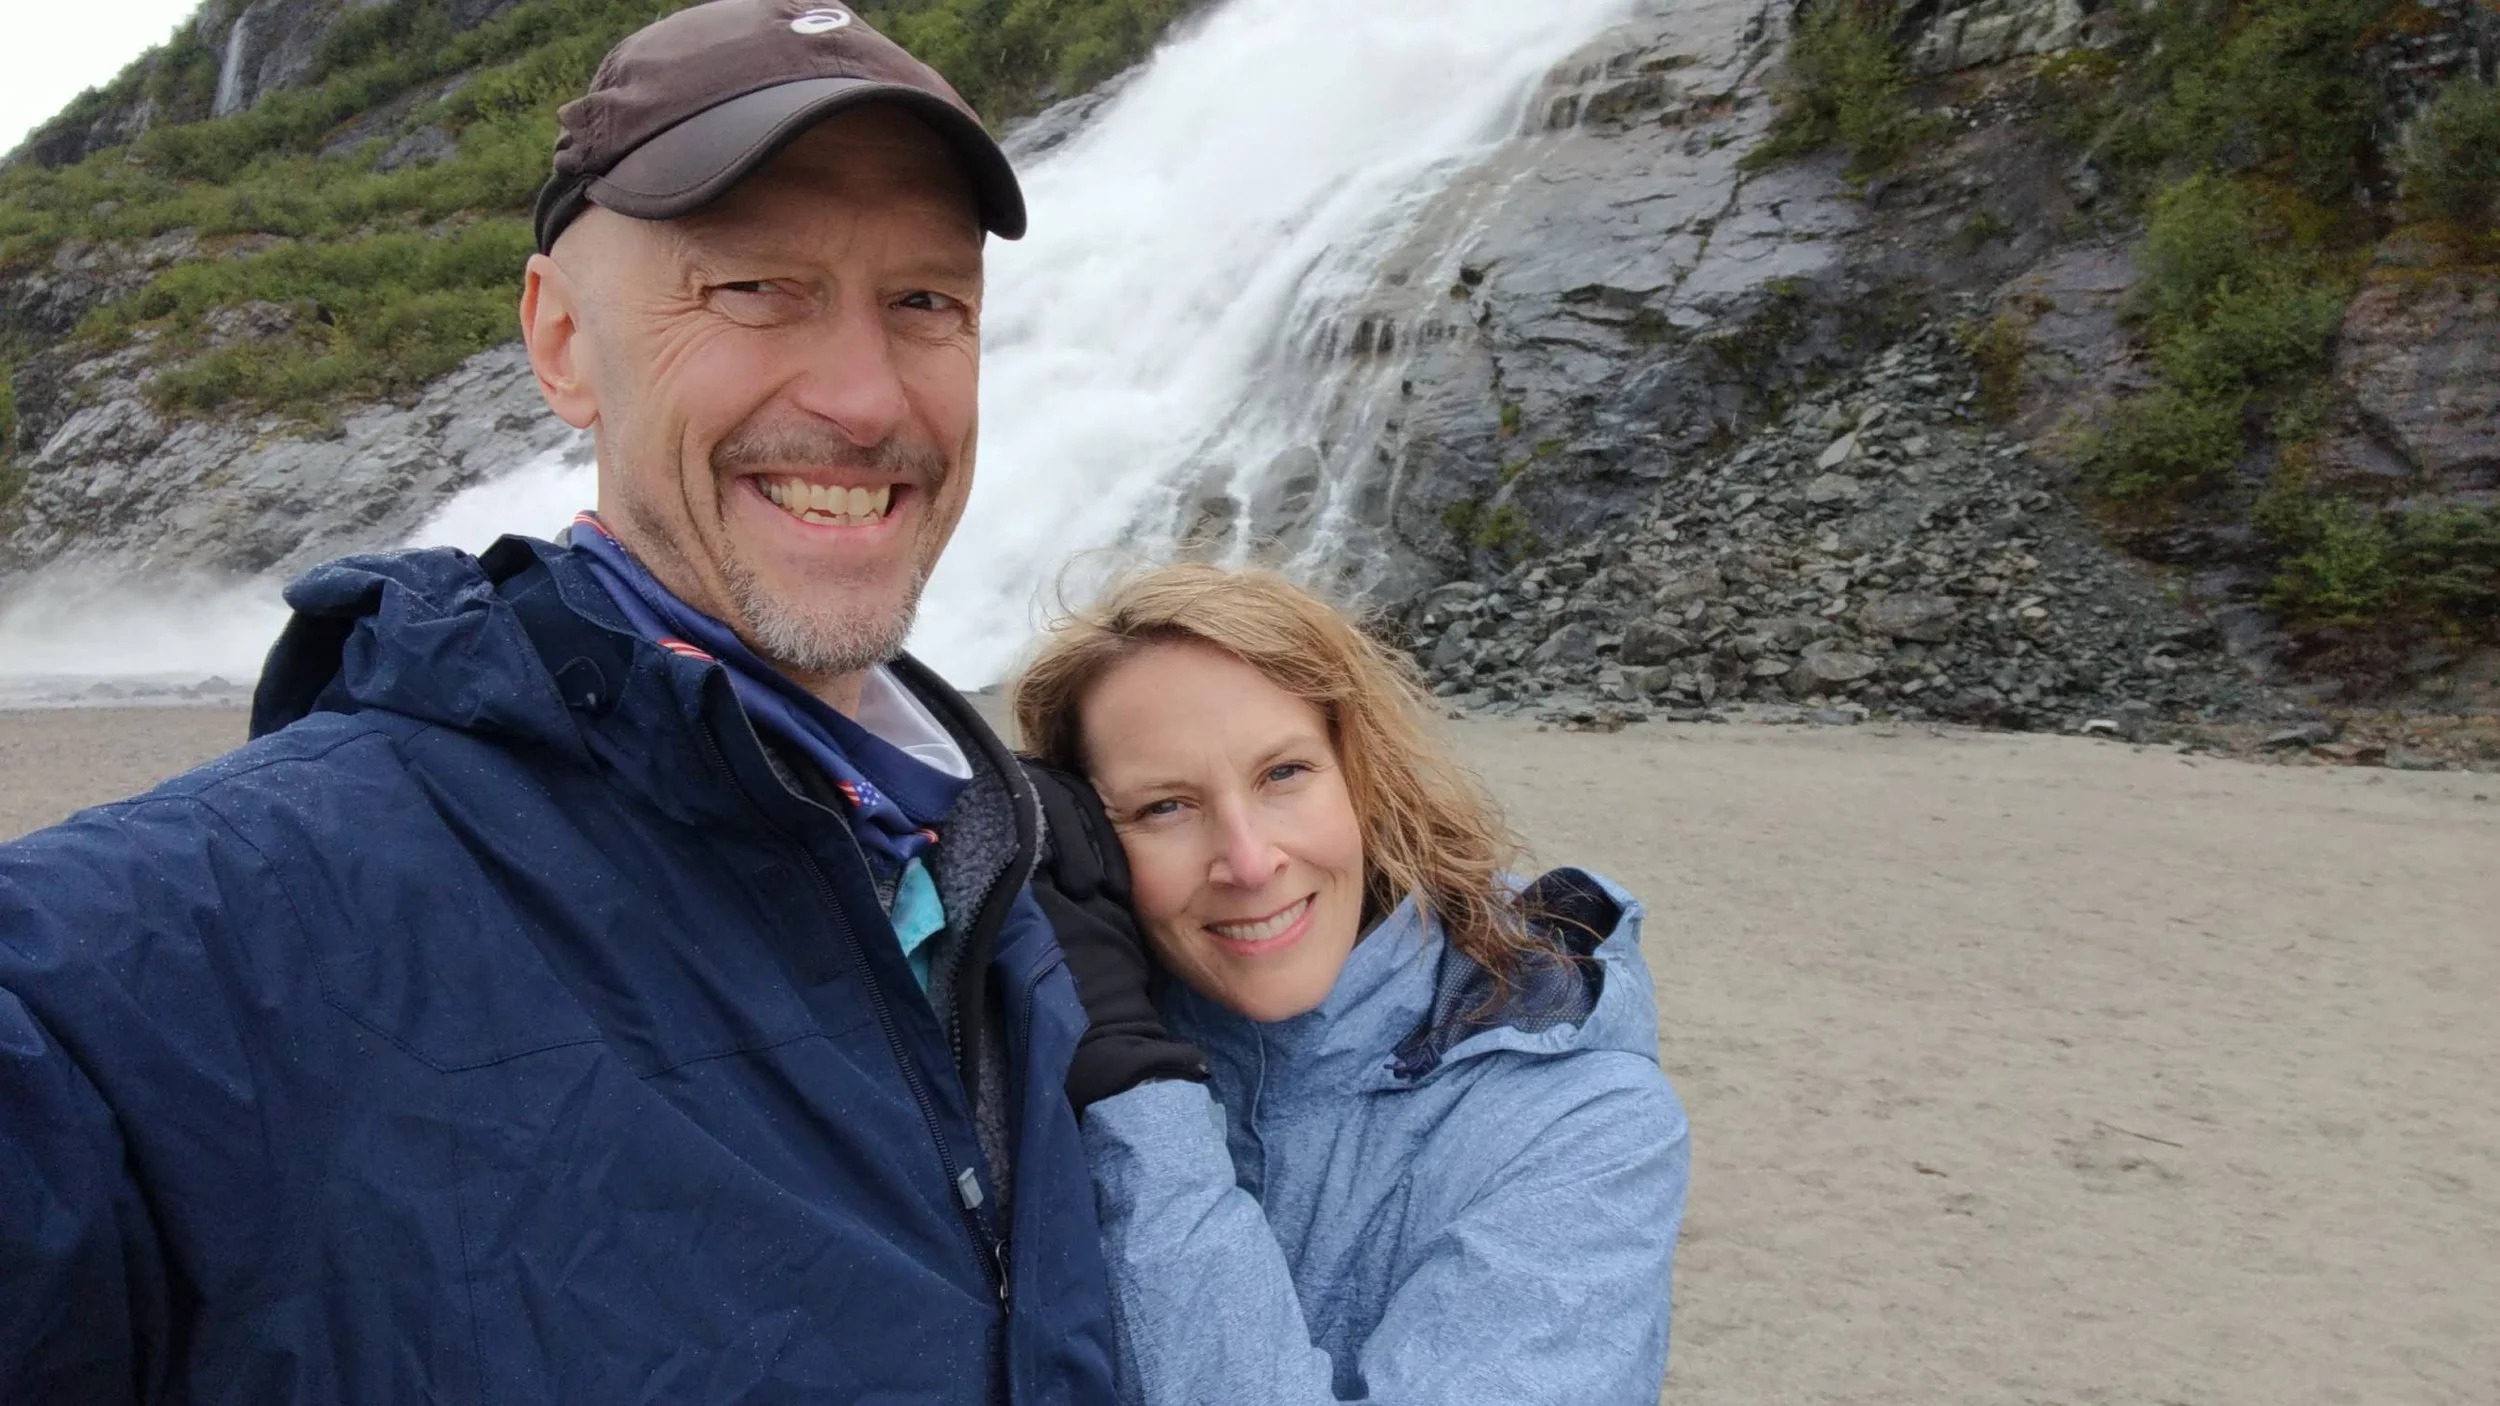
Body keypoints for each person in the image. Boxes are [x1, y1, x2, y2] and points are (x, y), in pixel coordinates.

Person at [0, 3, 1124, 1399]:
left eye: (927, 302)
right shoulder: (162, 954)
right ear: (560, 340)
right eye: (753, 288)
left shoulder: (1030, 872)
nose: (860, 395)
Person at [1010, 563, 1692, 1405]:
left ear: (1364, 778)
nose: (1252, 863)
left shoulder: (1586, 1125)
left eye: (1284, 775)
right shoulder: (1015, 1056)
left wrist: (1134, 1086)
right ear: (1089, 844)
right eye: (1164, 807)